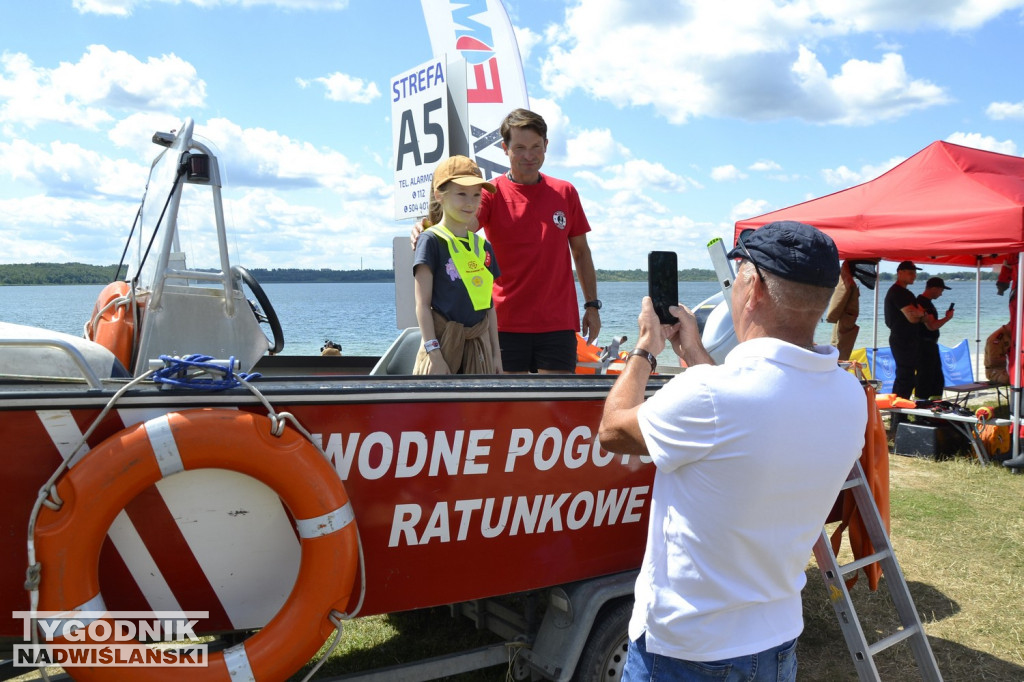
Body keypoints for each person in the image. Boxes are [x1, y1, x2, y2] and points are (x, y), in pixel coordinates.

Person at [599, 221, 867, 682]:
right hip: (775, 640)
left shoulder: (711, 396)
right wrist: (695, 353)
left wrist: (644, 348)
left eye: (739, 272)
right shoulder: (849, 395)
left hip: (689, 648)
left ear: (755, 287)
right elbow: (749, 415)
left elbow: (613, 430)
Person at [413, 108, 601, 374]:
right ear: (505, 148)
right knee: (510, 410)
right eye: (520, 147)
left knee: (554, 409)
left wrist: (592, 306)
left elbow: (581, 253)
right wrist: (425, 226)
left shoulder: (565, 192)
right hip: (505, 325)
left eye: (536, 146)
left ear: (546, 146)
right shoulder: (490, 194)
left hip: (558, 323)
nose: (529, 155)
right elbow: (455, 225)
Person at [412, 155, 502, 375]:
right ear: (439, 195)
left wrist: (495, 355)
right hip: (441, 348)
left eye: (476, 195)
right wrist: (435, 356)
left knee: (478, 410)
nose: (470, 202)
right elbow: (422, 305)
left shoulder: (483, 247)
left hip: (477, 350)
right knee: (436, 409)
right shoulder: (431, 240)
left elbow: (488, 308)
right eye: (461, 194)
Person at [883, 261, 925, 399]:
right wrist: (920, 313)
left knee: (908, 375)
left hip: (910, 338)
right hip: (901, 338)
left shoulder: (906, 293)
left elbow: (919, 315)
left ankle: (902, 408)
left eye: (915, 273)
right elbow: (913, 317)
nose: (914, 276)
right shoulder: (897, 292)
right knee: (905, 376)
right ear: (900, 273)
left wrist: (920, 313)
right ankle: (898, 412)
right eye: (911, 272)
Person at [914, 277, 954, 399]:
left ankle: (935, 406)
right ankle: (921, 406)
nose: (941, 294)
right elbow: (932, 326)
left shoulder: (927, 303)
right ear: (934, 288)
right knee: (925, 378)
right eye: (941, 290)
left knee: (936, 378)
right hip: (923, 345)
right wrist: (947, 318)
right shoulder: (922, 302)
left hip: (930, 345)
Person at [826, 260, 860, 361]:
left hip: (847, 322)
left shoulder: (846, 280)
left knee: (841, 351)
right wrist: (831, 317)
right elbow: (838, 301)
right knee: (839, 351)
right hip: (844, 322)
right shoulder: (846, 281)